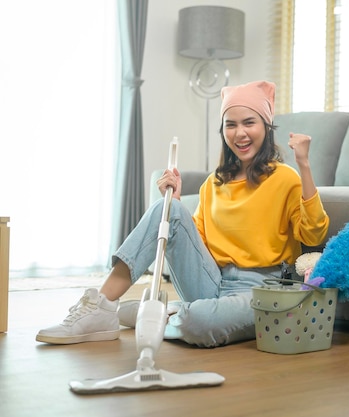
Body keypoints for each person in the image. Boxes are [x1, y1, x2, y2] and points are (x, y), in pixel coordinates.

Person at [36, 80, 330, 348]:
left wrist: (304, 165)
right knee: (169, 207)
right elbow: (196, 243)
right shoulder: (214, 183)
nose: (240, 133)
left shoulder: (284, 177)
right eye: (231, 125)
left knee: (198, 322)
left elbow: (313, 234)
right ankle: (101, 306)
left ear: (266, 126)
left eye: (249, 123)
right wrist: (172, 205)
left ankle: (159, 314)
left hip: (260, 286)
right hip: (210, 281)